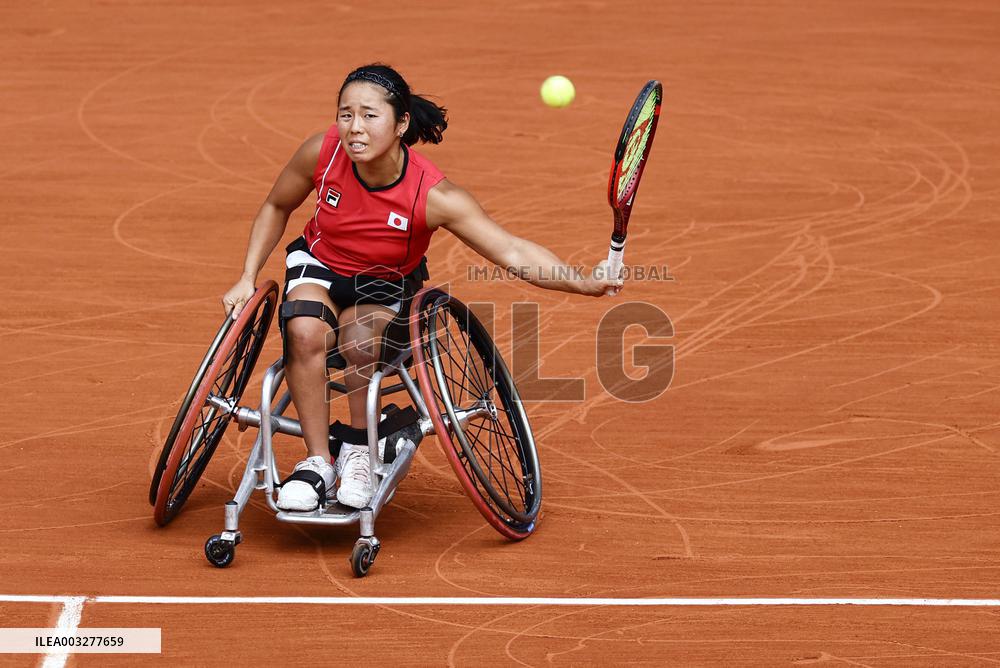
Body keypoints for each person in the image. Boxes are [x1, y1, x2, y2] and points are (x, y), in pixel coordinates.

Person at [222, 64, 621, 512]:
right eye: (345, 114)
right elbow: (277, 205)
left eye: (370, 116)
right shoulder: (323, 152)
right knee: (304, 330)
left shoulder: (432, 195)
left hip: (384, 283)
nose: (355, 128)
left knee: (358, 341)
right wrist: (247, 275)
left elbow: (510, 250)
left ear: (401, 123)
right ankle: (318, 461)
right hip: (319, 265)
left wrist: (583, 283)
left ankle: (357, 451)